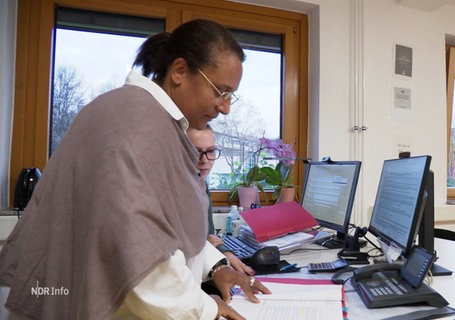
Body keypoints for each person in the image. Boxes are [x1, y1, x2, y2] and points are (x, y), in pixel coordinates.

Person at [0, 19, 270, 320]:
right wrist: (206, 307)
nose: (225, 107)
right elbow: (140, 257)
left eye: (230, 95)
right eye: (220, 91)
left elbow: (162, 225)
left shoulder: (142, 115)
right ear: (179, 71)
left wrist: (215, 266)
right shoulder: (137, 124)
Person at [187, 126, 255, 276]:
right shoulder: (174, 192)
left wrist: (224, 253)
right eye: (196, 152)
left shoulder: (201, 185)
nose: (204, 160)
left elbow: (209, 237)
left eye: (210, 151)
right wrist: (218, 252)